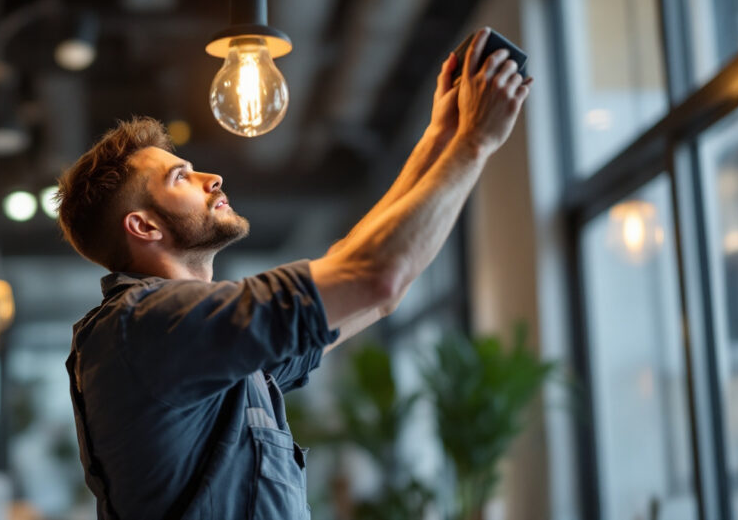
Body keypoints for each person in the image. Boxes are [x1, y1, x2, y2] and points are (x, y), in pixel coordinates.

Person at [56, 27, 533, 520]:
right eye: (180, 178)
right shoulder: (147, 327)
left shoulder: (211, 352)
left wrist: (442, 136)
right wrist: (473, 144)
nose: (211, 178)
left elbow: (371, 290)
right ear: (143, 225)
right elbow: (376, 276)